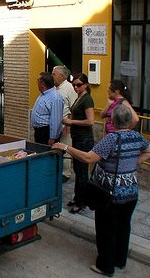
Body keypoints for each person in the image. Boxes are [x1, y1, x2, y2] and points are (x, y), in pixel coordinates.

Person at [53, 104, 150, 277]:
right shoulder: (136, 136)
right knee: (123, 227)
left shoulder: (112, 138)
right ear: (129, 121)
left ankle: (105, 266)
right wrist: (134, 163)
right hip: (131, 193)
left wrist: (65, 148)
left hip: (111, 194)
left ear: (113, 120)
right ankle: (120, 261)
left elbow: (89, 157)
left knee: (106, 229)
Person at [62, 73, 95, 214]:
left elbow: (90, 121)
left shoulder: (87, 100)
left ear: (85, 85)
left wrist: (71, 122)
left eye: (79, 85)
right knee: (78, 170)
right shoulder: (79, 97)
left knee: (82, 172)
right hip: (77, 138)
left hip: (84, 140)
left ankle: (82, 202)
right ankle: (77, 198)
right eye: (74, 84)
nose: (75, 87)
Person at [53, 65, 78, 183]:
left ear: (62, 76)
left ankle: (66, 173)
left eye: (54, 74)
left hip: (65, 124)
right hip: (55, 124)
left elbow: (74, 108)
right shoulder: (54, 88)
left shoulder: (69, 88)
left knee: (66, 147)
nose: (52, 76)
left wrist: (68, 126)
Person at [31, 72, 64, 145]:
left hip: (46, 133)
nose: (37, 83)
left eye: (38, 81)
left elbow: (56, 120)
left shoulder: (55, 98)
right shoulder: (43, 94)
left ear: (42, 84)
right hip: (39, 132)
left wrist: (52, 138)